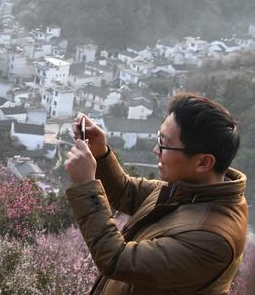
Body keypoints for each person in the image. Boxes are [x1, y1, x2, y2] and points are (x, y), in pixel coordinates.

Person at [64, 93, 247, 294]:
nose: (155, 149)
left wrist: (86, 185)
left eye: (164, 143)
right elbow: (126, 191)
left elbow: (116, 259)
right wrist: (100, 153)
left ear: (203, 162)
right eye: (158, 138)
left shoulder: (212, 239)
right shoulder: (190, 190)